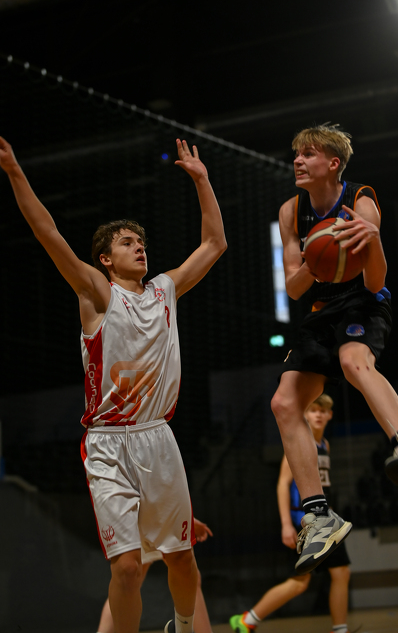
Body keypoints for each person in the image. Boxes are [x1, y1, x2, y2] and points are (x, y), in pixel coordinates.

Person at [0, 136, 227, 633]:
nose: (139, 246)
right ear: (105, 259)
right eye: (127, 242)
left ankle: (183, 626)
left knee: (182, 559)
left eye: (141, 242)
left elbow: (215, 244)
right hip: (108, 443)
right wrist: (15, 171)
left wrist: (203, 181)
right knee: (127, 569)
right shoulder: (97, 294)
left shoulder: (165, 289)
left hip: (158, 437)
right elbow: (47, 232)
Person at [270, 123, 398, 576]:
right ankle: (318, 516)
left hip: (364, 300)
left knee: (352, 361)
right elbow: (294, 288)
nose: (297, 160)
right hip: (320, 308)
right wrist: (315, 257)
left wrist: (372, 239)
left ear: (333, 164)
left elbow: (376, 280)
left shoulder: (361, 200)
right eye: (296, 154)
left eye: (308, 154)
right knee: (284, 403)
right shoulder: (291, 212)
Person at [230, 394, 357, 633]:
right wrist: (286, 524)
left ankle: (340, 629)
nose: (318, 415)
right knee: (300, 582)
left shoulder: (325, 444)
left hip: (325, 520)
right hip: (304, 521)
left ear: (330, 415)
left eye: (323, 411)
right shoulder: (299, 442)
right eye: (314, 410)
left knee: (341, 572)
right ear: (305, 415)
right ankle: (248, 620)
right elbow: (282, 484)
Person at [97, 518, 214, 633]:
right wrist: (188, 517)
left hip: (152, 517)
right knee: (128, 580)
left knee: (130, 582)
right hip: (148, 516)